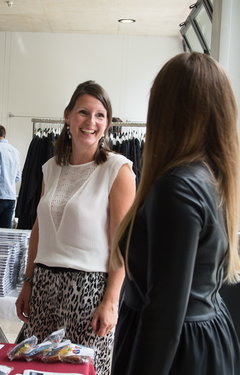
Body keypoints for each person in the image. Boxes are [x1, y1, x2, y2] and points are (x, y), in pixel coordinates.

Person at [111, 52, 240, 374]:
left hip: (173, 352)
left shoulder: (177, 187)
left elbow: (165, 314)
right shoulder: (211, 177)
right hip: (200, 338)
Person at [15, 80, 136, 375]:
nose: (91, 122)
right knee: (36, 369)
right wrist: (28, 282)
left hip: (88, 292)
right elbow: (39, 229)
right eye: (83, 112)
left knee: (83, 371)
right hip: (44, 287)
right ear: (68, 115)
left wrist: (111, 301)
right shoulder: (51, 167)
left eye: (100, 115)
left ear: (107, 123)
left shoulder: (117, 169)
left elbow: (123, 243)